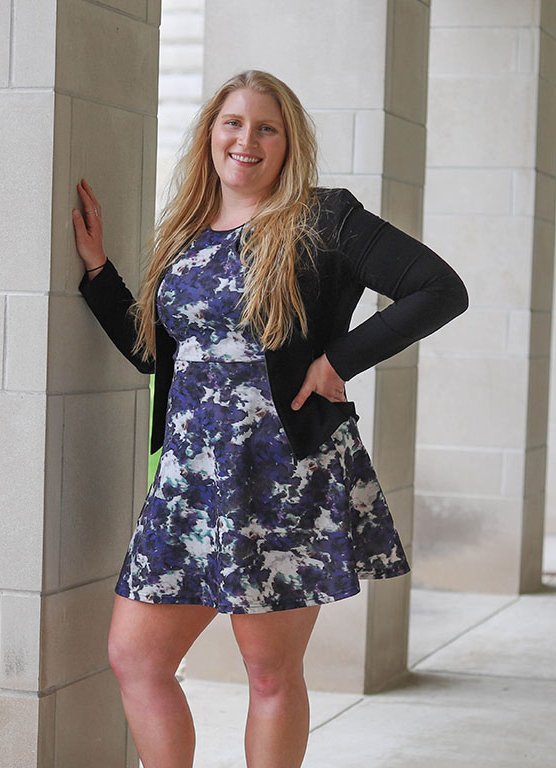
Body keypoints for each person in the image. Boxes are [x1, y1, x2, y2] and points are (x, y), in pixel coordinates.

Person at [71, 70, 468, 768]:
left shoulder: (324, 217)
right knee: (135, 657)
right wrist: (101, 273)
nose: (245, 140)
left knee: (269, 673)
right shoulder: (189, 232)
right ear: (210, 134)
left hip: (281, 475)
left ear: (288, 144)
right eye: (232, 122)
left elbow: (440, 288)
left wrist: (338, 361)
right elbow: (157, 355)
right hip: (189, 486)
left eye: (266, 127)